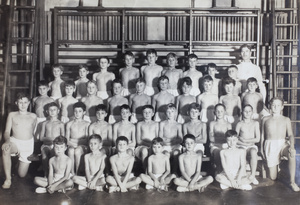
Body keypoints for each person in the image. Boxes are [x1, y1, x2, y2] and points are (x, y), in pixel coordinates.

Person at [261, 97, 300, 192]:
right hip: (270, 145)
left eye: (278, 105)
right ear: (270, 106)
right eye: (273, 105)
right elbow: (262, 136)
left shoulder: (286, 119)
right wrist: (261, 149)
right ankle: (276, 166)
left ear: (282, 107)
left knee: (292, 154)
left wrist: (291, 146)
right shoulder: (265, 119)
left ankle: (292, 182)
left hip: (282, 144)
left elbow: (290, 135)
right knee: (273, 178)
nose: (275, 107)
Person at [2, 93, 37, 189]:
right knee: (6, 149)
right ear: (16, 103)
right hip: (15, 142)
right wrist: (7, 141)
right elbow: (6, 131)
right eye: (20, 102)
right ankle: (8, 179)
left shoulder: (33, 116)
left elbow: (33, 133)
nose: (23, 105)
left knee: (21, 175)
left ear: (29, 103)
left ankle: (16, 163)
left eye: (25, 102)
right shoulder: (12, 115)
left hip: (27, 145)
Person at [235, 104, 260, 185]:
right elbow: (235, 139)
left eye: (249, 111)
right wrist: (243, 143)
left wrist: (245, 140)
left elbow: (257, 139)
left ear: (252, 112)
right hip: (241, 145)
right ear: (242, 112)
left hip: (251, 146)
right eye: (245, 111)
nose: (247, 113)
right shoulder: (239, 124)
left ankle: (252, 175)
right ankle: (243, 175)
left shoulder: (255, 123)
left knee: (253, 152)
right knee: (242, 151)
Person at [39, 102, 65, 177]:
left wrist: (55, 142)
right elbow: (41, 138)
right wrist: (52, 139)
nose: (52, 112)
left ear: (58, 111)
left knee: (55, 152)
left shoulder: (61, 124)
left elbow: (63, 139)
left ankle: (54, 174)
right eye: (50, 110)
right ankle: (46, 174)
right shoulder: (44, 123)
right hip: (46, 145)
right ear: (47, 111)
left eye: (54, 110)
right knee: (45, 152)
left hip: (57, 146)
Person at [65, 102, 90, 175]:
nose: (77, 113)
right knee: (71, 151)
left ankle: (78, 173)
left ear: (84, 112)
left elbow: (87, 140)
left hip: (83, 146)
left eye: (80, 111)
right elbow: (66, 139)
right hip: (71, 145)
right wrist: (73, 143)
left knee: (77, 151)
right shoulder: (69, 124)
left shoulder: (87, 124)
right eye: (75, 111)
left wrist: (75, 142)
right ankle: (72, 173)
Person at [159, 103, 182, 173]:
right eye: (168, 112)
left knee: (176, 153)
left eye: (172, 112)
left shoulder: (178, 125)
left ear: (175, 113)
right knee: (166, 154)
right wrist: (170, 141)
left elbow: (180, 139)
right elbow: (160, 138)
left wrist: (169, 140)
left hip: (175, 146)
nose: (170, 114)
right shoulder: (162, 123)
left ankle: (174, 172)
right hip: (165, 146)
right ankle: (165, 173)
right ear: (165, 113)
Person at [209, 104, 232, 174]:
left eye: (221, 111)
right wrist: (224, 138)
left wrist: (217, 138)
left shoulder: (228, 124)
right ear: (214, 112)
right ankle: (219, 172)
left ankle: (228, 172)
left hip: (226, 145)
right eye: (217, 111)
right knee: (217, 152)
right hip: (215, 145)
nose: (219, 113)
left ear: (225, 112)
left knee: (229, 153)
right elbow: (211, 139)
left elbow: (230, 138)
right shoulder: (212, 123)